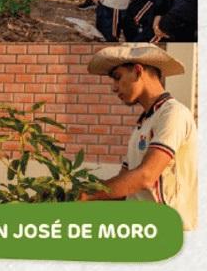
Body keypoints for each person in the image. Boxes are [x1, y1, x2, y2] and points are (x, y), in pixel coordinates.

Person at [84, 44, 196, 231]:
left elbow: (145, 176)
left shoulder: (173, 113)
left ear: (137, 71)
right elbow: (124, 185)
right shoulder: (142, 125)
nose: (114, 88)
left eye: (117, 78)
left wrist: (90, 195)